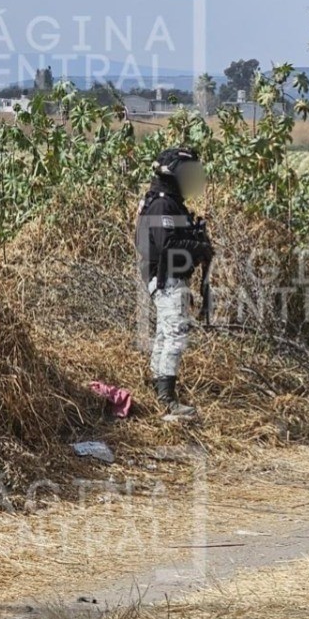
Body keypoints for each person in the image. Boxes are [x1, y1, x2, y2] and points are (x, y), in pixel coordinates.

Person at [135, 148, 213, 419]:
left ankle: (157, 386)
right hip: (166, 277)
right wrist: (199, 247)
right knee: (175, 334)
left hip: (168, 277)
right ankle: (167, 399)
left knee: (165, 333)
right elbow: (167, 244)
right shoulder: (163, 204)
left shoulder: (167, 201)